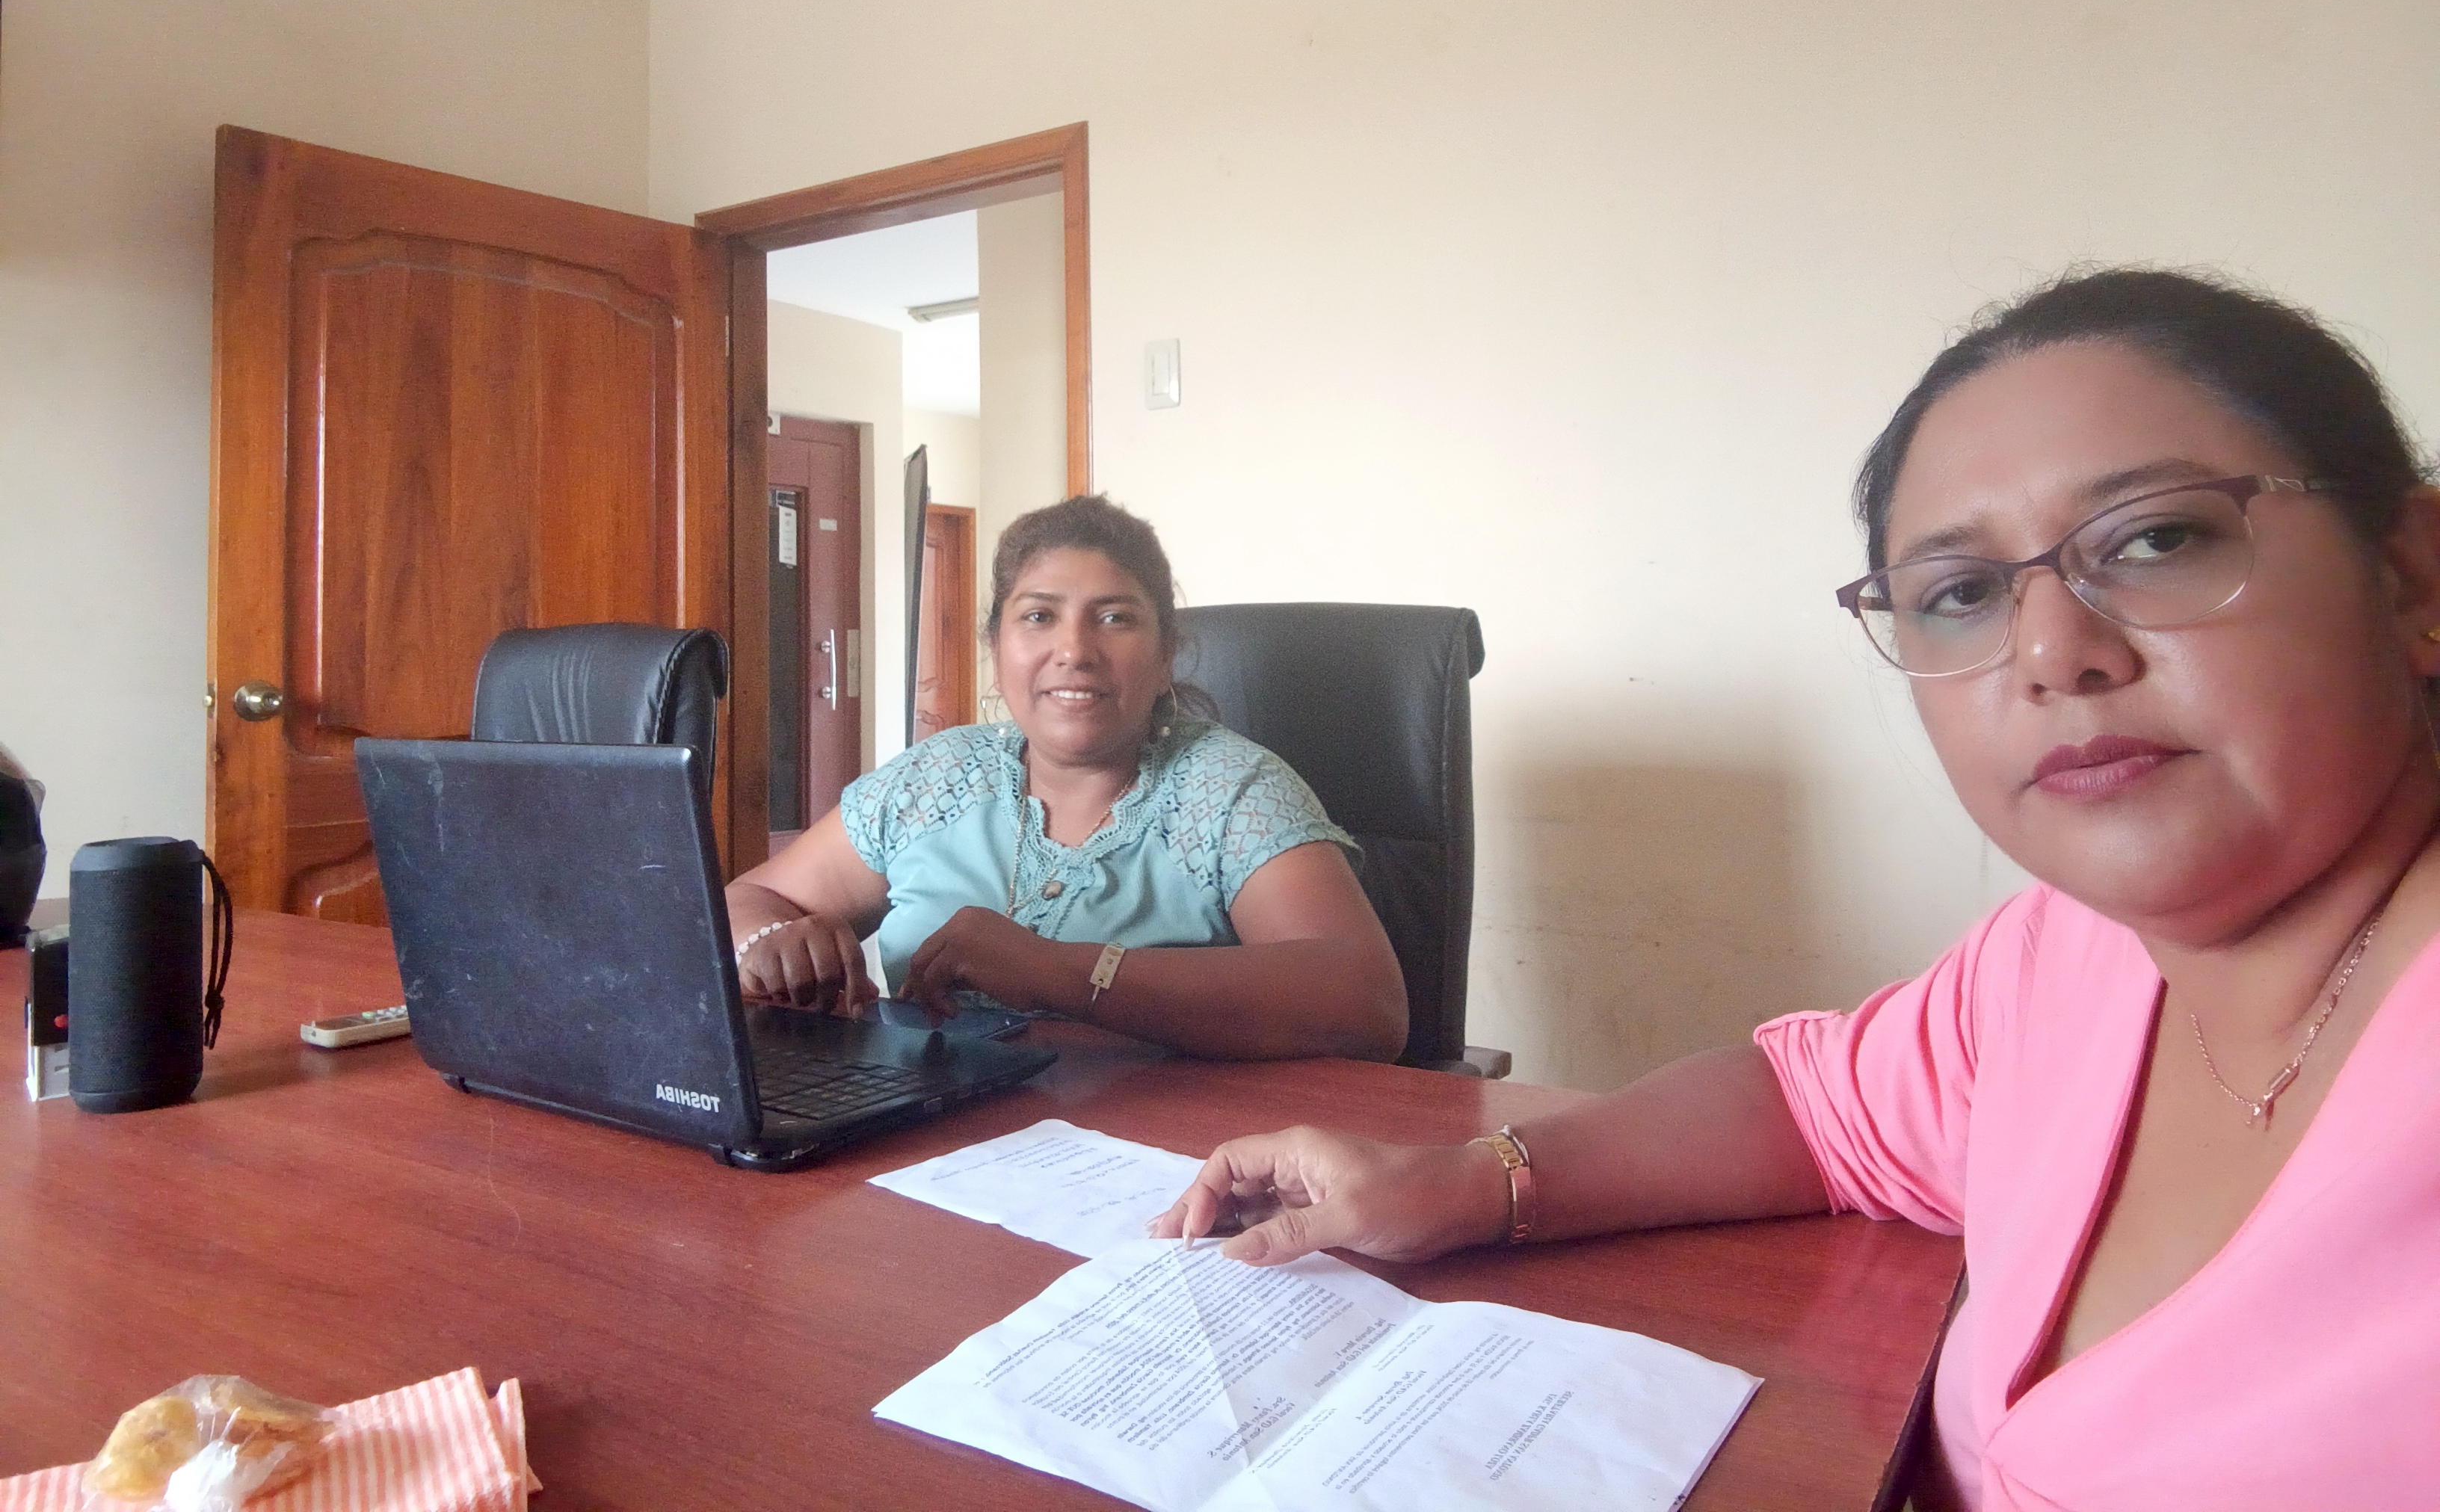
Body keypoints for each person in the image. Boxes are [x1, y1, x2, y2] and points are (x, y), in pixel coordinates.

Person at [1153, 270, 2440, 1509]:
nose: (2052, 650)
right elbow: (1808, 1101)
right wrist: (1457, 1183)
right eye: (1961, 592)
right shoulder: (2068, 954)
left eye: (2155, 538)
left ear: (2411, 575)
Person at [726, 493, 1408, 1062]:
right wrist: (770, 946)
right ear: (997, 649)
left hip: (1166, 1148)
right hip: (924, 1133)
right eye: (1039, 616)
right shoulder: (937, 776)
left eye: (1114, 618)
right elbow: (749, 899)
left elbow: (1366, 1003)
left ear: (1166, 656)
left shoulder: (1231, 790)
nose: (1075, 650)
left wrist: (1057, 970)